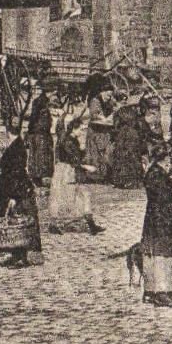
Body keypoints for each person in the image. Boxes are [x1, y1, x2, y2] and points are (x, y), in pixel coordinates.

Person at [140, 146, 172, 307]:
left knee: (160, 254)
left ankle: (156, 290)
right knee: (163, 255)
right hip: (161, 219)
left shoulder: (156, 172)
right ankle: (160, 292)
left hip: (158, 218)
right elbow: (164, 200)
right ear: (165, 159)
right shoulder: (157, 175)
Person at [49, 107, 102, 235]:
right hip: (66, 171)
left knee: (83, 195)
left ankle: (91, 224)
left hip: (70, 171)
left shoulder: (72, 140)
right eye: (80, 128)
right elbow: (74, 160)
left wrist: (82, 149)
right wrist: (87, 167)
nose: (82, 130)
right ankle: (54, 224)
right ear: (74, 129)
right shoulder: (68, 142)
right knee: (64, 198)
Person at [0, 131, 40, 266]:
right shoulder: (16, 146)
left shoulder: (16, 149)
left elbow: (17, 173)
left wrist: (14, 196)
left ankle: (23, 255)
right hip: (19, 189)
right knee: (19, 222)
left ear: (9, 133)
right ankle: (18, 254)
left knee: (20, 222)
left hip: (18, 191)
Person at [109, 100, 147, 190]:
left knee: (121, 157)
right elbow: (141, 127)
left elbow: (115, 127)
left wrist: (115, 136)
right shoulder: (136, 115)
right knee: (133, 157)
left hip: (122, 137)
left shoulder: (119, 113)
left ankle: (120, 181)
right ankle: (134, 181)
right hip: (133, 137)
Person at [83, 82, 115, 183]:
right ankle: (94, 176)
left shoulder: (109, 101)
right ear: (102, 92)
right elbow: (95, 114)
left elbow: (112, 110)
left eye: (110, 95)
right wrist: (104, 118)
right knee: (94, 152)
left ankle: (104, 174)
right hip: (95, 130)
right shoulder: (95, 101)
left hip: (104, 131)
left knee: (105, 151)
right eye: (107, 95)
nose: (109, 97)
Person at [25, 86, 54, 185]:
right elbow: (42, 122)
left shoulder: (38, 103)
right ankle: (40, 178)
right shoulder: (43, 107)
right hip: (41, 134)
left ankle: (36, 177)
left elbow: (32, 120)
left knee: (36, 155)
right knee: (41, 156)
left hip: (37, 133)